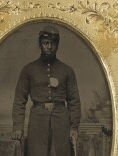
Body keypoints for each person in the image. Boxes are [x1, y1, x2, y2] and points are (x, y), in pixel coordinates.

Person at [12, 25, 81, 156]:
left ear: (57, 45)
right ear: (40, 44)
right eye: (45, 43)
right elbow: (19, 100)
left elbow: (74, 101)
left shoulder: (67, 70)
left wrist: (74, 127)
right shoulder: (29, 70)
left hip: (62, 121)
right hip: (38, 121)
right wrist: (17, 127)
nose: (49, 47)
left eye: (53, 44)